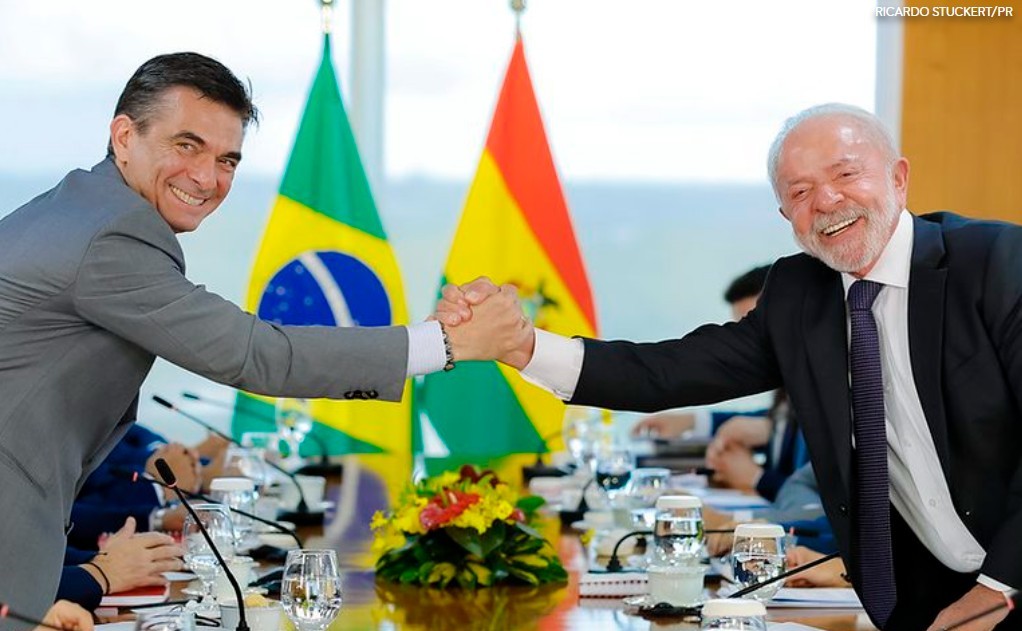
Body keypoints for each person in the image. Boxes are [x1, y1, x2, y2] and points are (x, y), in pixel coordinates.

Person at [440, 104, 1022, 630]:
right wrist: (520, 345)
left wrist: (999, 588)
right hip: (926, 600)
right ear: (785, 214)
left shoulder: (995, 263)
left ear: (898, 178)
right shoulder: (800, 293)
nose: (825, 201)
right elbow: (666, 372)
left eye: (846, 174)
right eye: (799, 192)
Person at [0, 52, 528, 619]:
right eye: (187, 145)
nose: (207, 178)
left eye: (227, 159)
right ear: (124, 136)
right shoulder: (111, 235)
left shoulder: (72, 210)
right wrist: (445, 343)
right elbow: (255, 354)